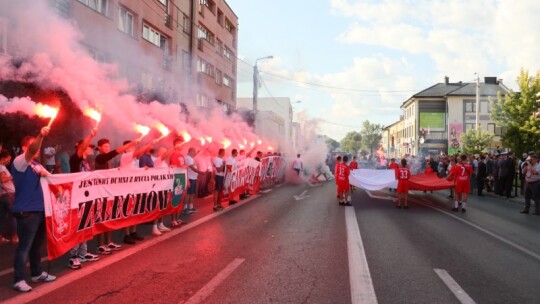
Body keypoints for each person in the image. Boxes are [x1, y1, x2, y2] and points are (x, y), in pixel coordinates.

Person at [12, 127, 56, 292]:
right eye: (33, 147)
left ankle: (36, 273)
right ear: (25, 148)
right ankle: (19, 279)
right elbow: (32, 149)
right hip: (26, 211)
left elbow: (50, 178)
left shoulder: (36, 164)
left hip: (40, 210)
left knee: (37, 245)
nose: (37, 150)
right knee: (24, 247)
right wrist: (41, 135)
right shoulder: (20, 161)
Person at [94, 137, 138, 254]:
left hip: (108, 191)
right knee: (102, 218)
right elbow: (114, 153)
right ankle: (100, 245)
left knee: (109, 217)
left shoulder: (107, 160)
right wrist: (131, 143)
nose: (107, 148)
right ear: (99, 148)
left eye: (108, 146)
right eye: (105, 146)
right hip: (100, 192)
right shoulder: (100, 157)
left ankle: (108, 242)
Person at [68, 129, 100, 269]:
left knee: (86, 224)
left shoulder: (86, 163)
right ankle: (73, 255)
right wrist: (91, 135)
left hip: (87, 196)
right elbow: (81, 148)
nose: (91, 148)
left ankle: (83, 253)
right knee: (78, 226)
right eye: (89, 146)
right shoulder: (75, 159)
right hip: (77, 197)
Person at [119, 139, 157, 244]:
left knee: (134, 211)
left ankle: (133, 232)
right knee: (127, 212)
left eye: (133, 146)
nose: (133, 148)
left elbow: (134, 171)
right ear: (126, 149)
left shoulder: (134, 160)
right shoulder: (125, 156)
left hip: (135, 188)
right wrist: (150, 143)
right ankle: (126, 235)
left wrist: (142, 169)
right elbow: (138, 152)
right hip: (127, 189)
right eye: (131, 147)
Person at [0, 149, 17, 244]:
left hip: (2, 194)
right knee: (12, 215)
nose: (9, 161)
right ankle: (14, 236)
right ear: (3, 158)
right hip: (8, 194)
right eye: (8, 158)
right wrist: (12, 177)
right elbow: (2, 180)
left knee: (2, 216)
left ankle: (0, 236)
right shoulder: (2, 167)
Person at [169, 137, 187, 228]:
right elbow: (173, 167)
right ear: (176, 145)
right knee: (175, 200)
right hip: (177, 179)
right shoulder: (174, 155)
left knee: (180, 200)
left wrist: (186, 180)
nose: (182, 145)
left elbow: (183, 168)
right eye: (180, 143)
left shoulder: (182, 155)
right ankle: (173, 220)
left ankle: (177, 218)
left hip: (182, 179)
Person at [185, 147, 205, 214]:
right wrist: (200, 172)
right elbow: (192, 167)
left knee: (192, 193)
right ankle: (185, 208)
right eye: (193, 152)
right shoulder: (188, 158)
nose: (194, 153)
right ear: (190, 151)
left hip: (193, 177)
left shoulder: (191, 158)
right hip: (190, 178)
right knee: (188, 193)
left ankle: (190, 207)